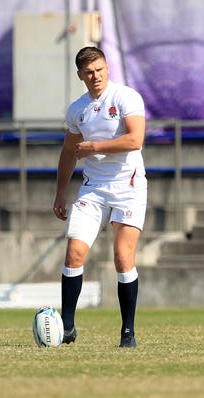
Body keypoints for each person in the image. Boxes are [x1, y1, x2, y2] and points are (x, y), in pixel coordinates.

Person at [53, 47, 146, 348]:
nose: (96, 77)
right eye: (89, 72)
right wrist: (59, 193)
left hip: (128, 188)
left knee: (122, 259)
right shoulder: (77, 109)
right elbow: (69, 152)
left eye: (100, 70)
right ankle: (66, 328)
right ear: (80, 75)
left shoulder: (126, 97)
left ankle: (127, 332)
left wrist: (94, 147)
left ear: (108, 68)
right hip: (93, 189)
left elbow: (136, 139)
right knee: (74, 254)